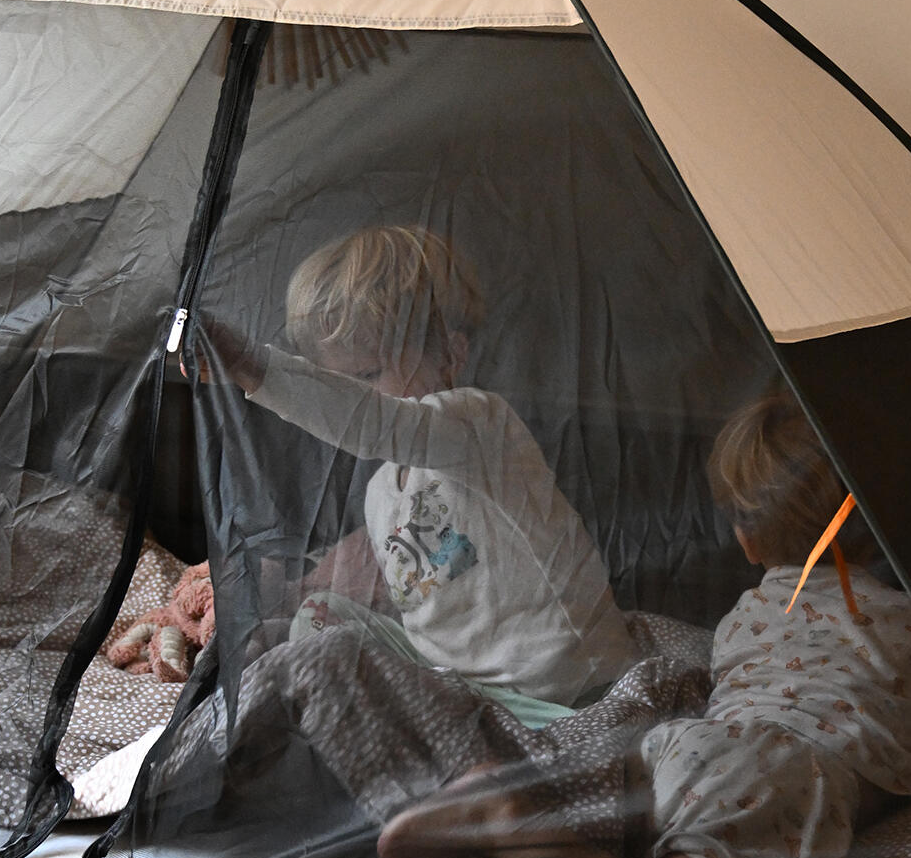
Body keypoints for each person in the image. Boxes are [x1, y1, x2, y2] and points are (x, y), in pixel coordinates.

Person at [377, 390, 911, 858]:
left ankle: (537, 804)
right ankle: (512, 820)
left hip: (690, 747)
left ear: (748, 540)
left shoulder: (746, 615)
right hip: (779, 779)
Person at [196, 225, 639, 719]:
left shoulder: (476, 423)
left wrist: (251, 364)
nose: (352, 397)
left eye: (367, 376)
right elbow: (420, 606)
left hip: (560, 689)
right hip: (463, 694)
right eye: (335, 382)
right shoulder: (381, 493)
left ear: (450, 355)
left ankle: (466, 747)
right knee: (319, 620)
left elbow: (375, 422)